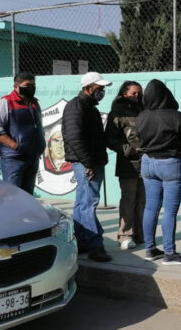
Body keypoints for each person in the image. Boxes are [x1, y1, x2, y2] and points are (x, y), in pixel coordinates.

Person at [137, 79, 181, 265]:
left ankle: (150, 249)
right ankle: (170, 253)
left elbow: (138, 139)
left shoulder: (142, 116)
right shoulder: (176, 117)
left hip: (148, 162)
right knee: (170, 210)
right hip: (171, 163)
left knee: (151, 207)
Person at [62, 71, 112, 262]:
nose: (102, 92)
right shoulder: (77, 106)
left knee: (82, 202)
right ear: (89, 87)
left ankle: (81, 241)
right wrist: (88, 163)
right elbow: (74, 137)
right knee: (89, 203)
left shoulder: (89, 107)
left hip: (91, 161)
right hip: (86, 162)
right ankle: (95, 245)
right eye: (100, 88)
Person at [105, 81, 145, 250]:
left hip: (147, 163)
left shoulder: (144, 111)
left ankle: (140, 234)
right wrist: (129, 150)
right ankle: (125, 235)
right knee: (128, 199)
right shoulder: (117, 113)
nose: (137, 96)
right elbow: (110, 139)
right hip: (128, 164)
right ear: (124, 93)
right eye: (133, 93)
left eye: (139, 93)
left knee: (143, 201)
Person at [0, 73, 45, 194]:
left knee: (27, 196)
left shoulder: (34, 103)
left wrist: (40, 146)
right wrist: (15, 146)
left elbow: (38, 127)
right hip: (13, 159)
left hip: (32, 157)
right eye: (27, 85)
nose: (31, 88)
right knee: (13, 196)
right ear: (16, 86)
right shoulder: (6, 102)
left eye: (33, 85)